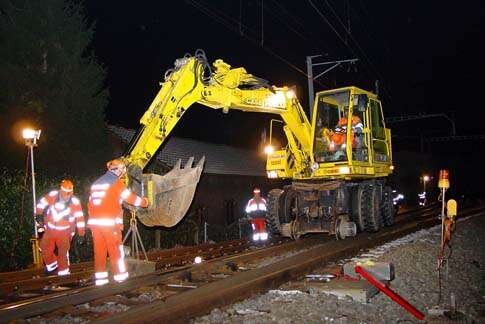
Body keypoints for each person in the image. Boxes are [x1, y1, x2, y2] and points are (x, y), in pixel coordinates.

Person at [87, 159, 149, 286]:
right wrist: (145, 202)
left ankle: (101, 281)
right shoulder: (116, 183)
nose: (123, 173)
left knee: (100, 252)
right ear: (119, 169)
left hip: (95, 225)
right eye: (123, 170)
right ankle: (120, 278)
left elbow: (89, 204)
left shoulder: (96, 184)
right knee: (116, 250)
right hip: (109, 225)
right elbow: (130, 198)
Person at [35, 179, 85, 276]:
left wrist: (81, 234)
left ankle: (64, 274)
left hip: (65, 232)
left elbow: (80, 218)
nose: (67, 195)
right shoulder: (53, 195)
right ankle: (53, 266)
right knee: (44, 247)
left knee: (63, 253)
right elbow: (41, 204)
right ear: (61, 190)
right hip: (50, 229)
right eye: (65, 193)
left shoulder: (75, 201)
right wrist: (39, 214)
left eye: (69, 193)